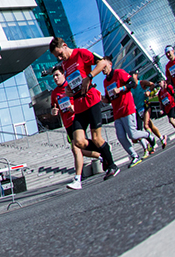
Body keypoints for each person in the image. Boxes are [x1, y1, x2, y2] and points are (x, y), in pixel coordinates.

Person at [49, 37, 118, 180]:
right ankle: (104, 150)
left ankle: (112, 165)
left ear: (65, 46)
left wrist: (89, 76)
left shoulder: (80, 53)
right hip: (79, 106)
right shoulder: (65, 65)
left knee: (96, 138)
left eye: (60, 54)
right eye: (57, 57)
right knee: (78, 142)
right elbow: (73, 83)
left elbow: (102, 63)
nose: (60, 58)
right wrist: (68, 90)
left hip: (91, 100)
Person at [49, 64, 100, 190]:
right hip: (66, 124)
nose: (55, 78)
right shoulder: (54, 93)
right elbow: (53, 107)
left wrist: (74, 108)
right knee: (81, 150)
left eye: (57, 75)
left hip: (76, 120)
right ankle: (102, 155)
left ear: (63, 75)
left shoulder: (70, 87)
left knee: (76, 149)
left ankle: (78, 179)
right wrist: (53, 111)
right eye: (53, 76)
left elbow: (81, 99)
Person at [100, 56, 155, 167]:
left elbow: (132, 83)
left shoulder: (119, 73)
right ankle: (134, 156)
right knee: (120, 137)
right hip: (117, 113)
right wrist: (100, 98)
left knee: (133, 135)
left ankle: (148, 135)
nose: (102, 69)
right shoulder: (105, 82)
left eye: (104, 66)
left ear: (110, 64)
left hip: (127, 108)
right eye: (101, 67)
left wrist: (120, 89)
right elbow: (108, 99)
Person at [136, 75, 168, 149]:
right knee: (150, 125)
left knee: (146, 125)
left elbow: (152, 84)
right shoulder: (130, 88)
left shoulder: (141, 83)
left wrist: (149, 91)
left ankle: (152, 143)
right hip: (139, 109)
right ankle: (161, 138)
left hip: (146, 105)